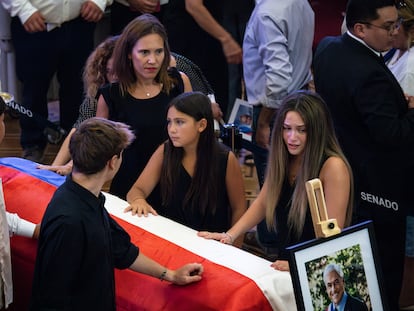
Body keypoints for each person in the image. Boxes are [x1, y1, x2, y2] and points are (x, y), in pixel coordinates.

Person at [30, 117, 203, 310]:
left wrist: (170, 274)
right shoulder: (70, 220)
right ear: (113, 162)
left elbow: (120, 249)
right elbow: (53, 296)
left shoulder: (89, 199)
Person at [313, 0, 414, 308]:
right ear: (360, 28)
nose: (394, 32)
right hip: (379, 186)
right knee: (384, 269)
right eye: (387, 26)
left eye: (396, 24)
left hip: (340, 170)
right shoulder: (369, 71)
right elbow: (391, 135)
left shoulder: (328, 49)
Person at [198, 90, 353, 271]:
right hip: (284, 261)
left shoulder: (333, 166)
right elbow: (264, 202)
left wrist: (300, 266)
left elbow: (333, 238)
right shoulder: (283, 157)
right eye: (287, 128)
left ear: (318, 131)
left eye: (301, 130)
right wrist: (229, 236)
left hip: (319, 270)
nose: (292, 137)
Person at [241, 0, 314, 259]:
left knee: (273, 184)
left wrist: (264, 122)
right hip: (297, 100)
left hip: (274, 109)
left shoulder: (268, 12)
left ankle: (271, 249)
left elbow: (279, 76)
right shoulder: (300, 3)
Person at [125, 92, 246, 246]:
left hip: (213, 244)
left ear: (201, 125)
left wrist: (235, 251)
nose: (172, 129)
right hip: (173, 241)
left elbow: (239, 209)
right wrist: (139, 201)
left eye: (180, 122)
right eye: (169, 122)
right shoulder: (165, 151)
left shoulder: (225, 158)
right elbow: (136, 190)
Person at [0, 0, 112, 162]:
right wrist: (24, 9)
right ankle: (33, 145)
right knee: (33, 89)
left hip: (80, 22)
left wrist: (99, 1)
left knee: (77, 87)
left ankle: (74, 143)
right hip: (34, 24)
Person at [96, 14, 193, 200]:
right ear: (129, 54)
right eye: (144, 52)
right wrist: (69, 167)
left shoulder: (179, 84)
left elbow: (195, 138)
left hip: (176, 185)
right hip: (129, 187)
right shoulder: (112, 95)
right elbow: (98, 147)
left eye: (158, 51)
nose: (153, 60)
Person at [37, 35, 119, 176]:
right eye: (109, 72)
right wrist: (54, 168)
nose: (115, 78)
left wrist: (70, 166)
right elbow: (81, 128)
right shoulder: (99, 92)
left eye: (119, 71)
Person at [161, 0, 242, 116]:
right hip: (191, 39)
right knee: (197, 106)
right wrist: (226, 39)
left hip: (210, 36)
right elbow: (193, 6)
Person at [385, 1, 414, 308]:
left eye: (395, 27)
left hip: (407, 163)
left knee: (409, 251)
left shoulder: (412, 64)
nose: (391, 33)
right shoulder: (399, 55)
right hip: (399, 166)